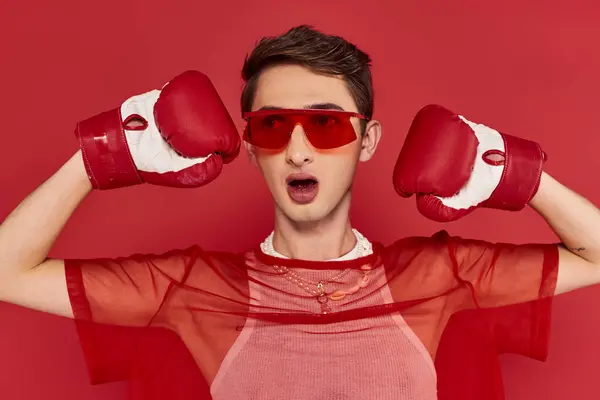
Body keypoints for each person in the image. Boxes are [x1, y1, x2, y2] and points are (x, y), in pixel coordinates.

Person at [0, 24, 599, 400]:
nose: (297, 148)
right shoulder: (192, 287)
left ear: (368, 141)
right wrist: (109, 150)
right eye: (272, 125)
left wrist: (507, 169)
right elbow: (7, 272)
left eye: (326, 123)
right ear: (252, 144)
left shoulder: (440, 277)